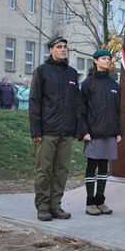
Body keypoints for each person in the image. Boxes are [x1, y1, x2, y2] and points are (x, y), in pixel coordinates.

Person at [29, 35, 83, 221]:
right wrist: (35, 130)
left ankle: (56, 206)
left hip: (67, 132)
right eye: (59, 47)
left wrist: (78, 129)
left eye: (65, 47)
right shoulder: (42, 71)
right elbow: (34, 102)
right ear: (51, 50)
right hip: (47, 131)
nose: (63, 49)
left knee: (61, 170)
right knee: (44, 169)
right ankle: (43, 207)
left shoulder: (72, 73)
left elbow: (77, 103)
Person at [80, 49, 122, 216]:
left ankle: (100, 201)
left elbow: (118, 110)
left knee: (104, 167)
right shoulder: (88, 83)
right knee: (92, 166)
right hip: (93, 133)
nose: (107, 61)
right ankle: (90, 203)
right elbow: (81, 109)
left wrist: (118, 131)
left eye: (109, 59)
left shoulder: (114, 84)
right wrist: (84, 131)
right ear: (95, 61)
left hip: (109, 133)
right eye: (104, 59)